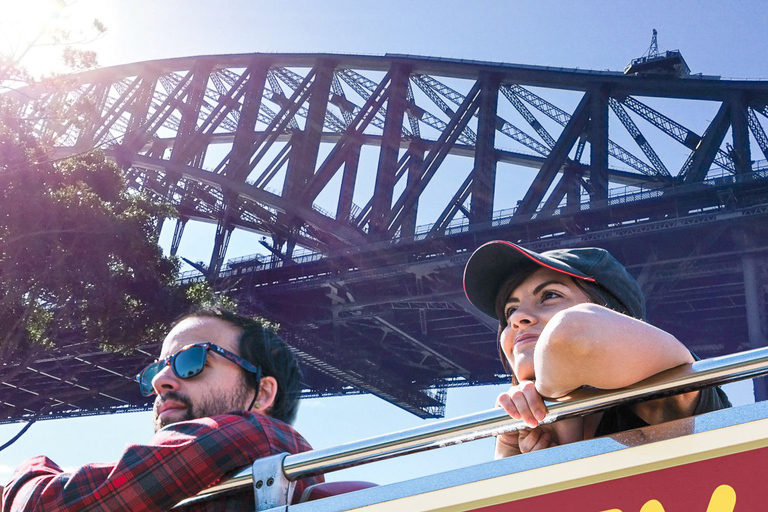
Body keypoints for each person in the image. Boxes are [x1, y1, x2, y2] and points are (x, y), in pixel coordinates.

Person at [2, 308, 323, 511]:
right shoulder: (202, 483)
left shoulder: (262, 437)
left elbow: (43, 507)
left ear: (263, 392)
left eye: (192, 360)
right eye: (156, 370)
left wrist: (29, 471)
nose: (161, 381)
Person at [463, 240, 731, 459]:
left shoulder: (664, 378)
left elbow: (573, 331)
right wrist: (508, 458)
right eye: (510, 310)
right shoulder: (521, 440)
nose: (517, 317)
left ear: (612, 312)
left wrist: (555, 405)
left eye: (549, 295)